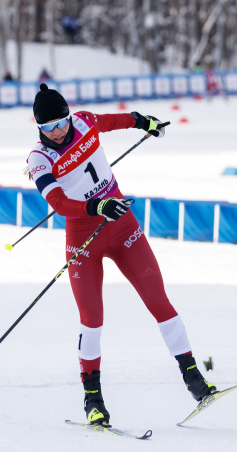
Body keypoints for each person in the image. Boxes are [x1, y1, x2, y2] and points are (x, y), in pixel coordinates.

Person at [24, 84, 216, 427]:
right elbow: (59, 204)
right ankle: (93, 402)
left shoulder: (83, 121)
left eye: (61, 122)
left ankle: (194, 379)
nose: (57, 131)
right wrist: (96, 205)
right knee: (92, 318)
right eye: (48, 127)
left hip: (123, 225)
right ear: (38, 128)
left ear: (70, 115)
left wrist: (143, 122)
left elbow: (114, 120)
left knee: (158, 299)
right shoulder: (39, 159)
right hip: (84, 238)